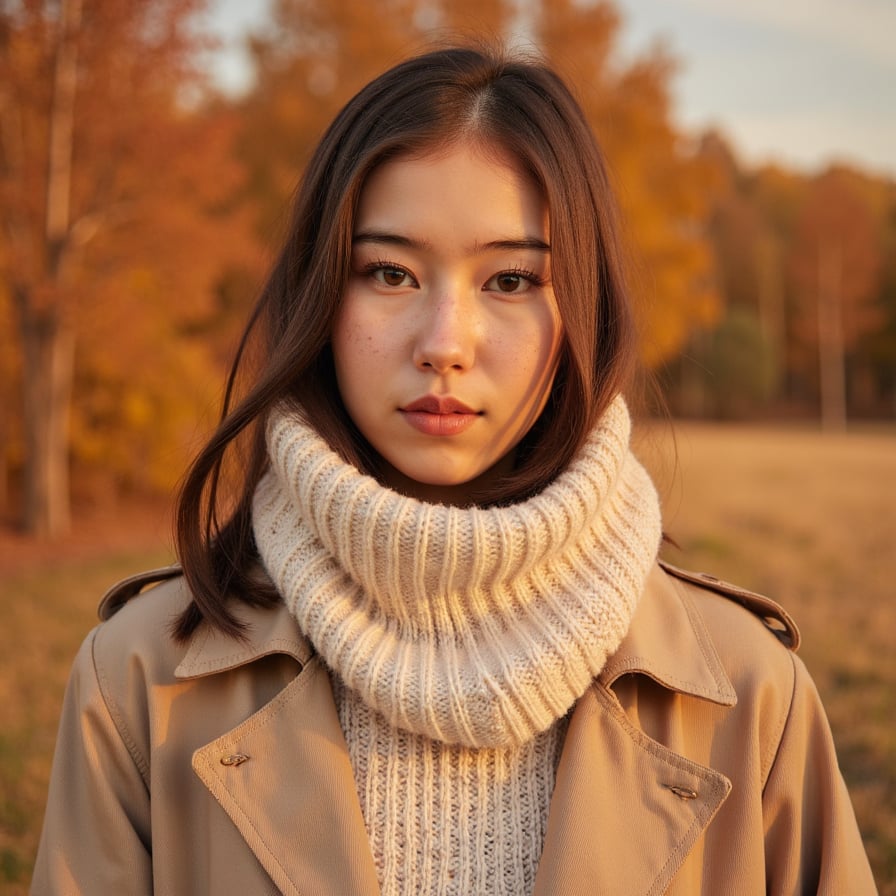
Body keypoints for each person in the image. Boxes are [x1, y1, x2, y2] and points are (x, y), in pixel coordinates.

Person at [32, 46, 876, 895]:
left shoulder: (750, 697)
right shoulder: (137, 682)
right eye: (389, 272)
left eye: (510, 279)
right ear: (321, 295)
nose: (444, 342)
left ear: (585, 307)